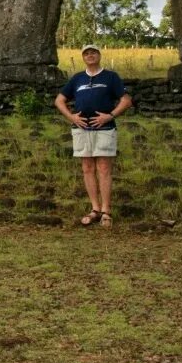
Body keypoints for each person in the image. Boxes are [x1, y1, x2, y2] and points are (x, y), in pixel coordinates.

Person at [55, 44, 132, 228]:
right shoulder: (78, 78)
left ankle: (106, 210)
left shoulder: (110, 77)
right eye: (86, 53)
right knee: (87, 167)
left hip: (104, 128)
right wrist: (71, 116)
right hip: (81, 128)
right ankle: (95, 209)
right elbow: (59, 100)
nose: (90, 56)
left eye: (93, 52)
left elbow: (126, 100)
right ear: (83, 57)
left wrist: (110, 115)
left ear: (99, 55)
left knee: (104, 167)